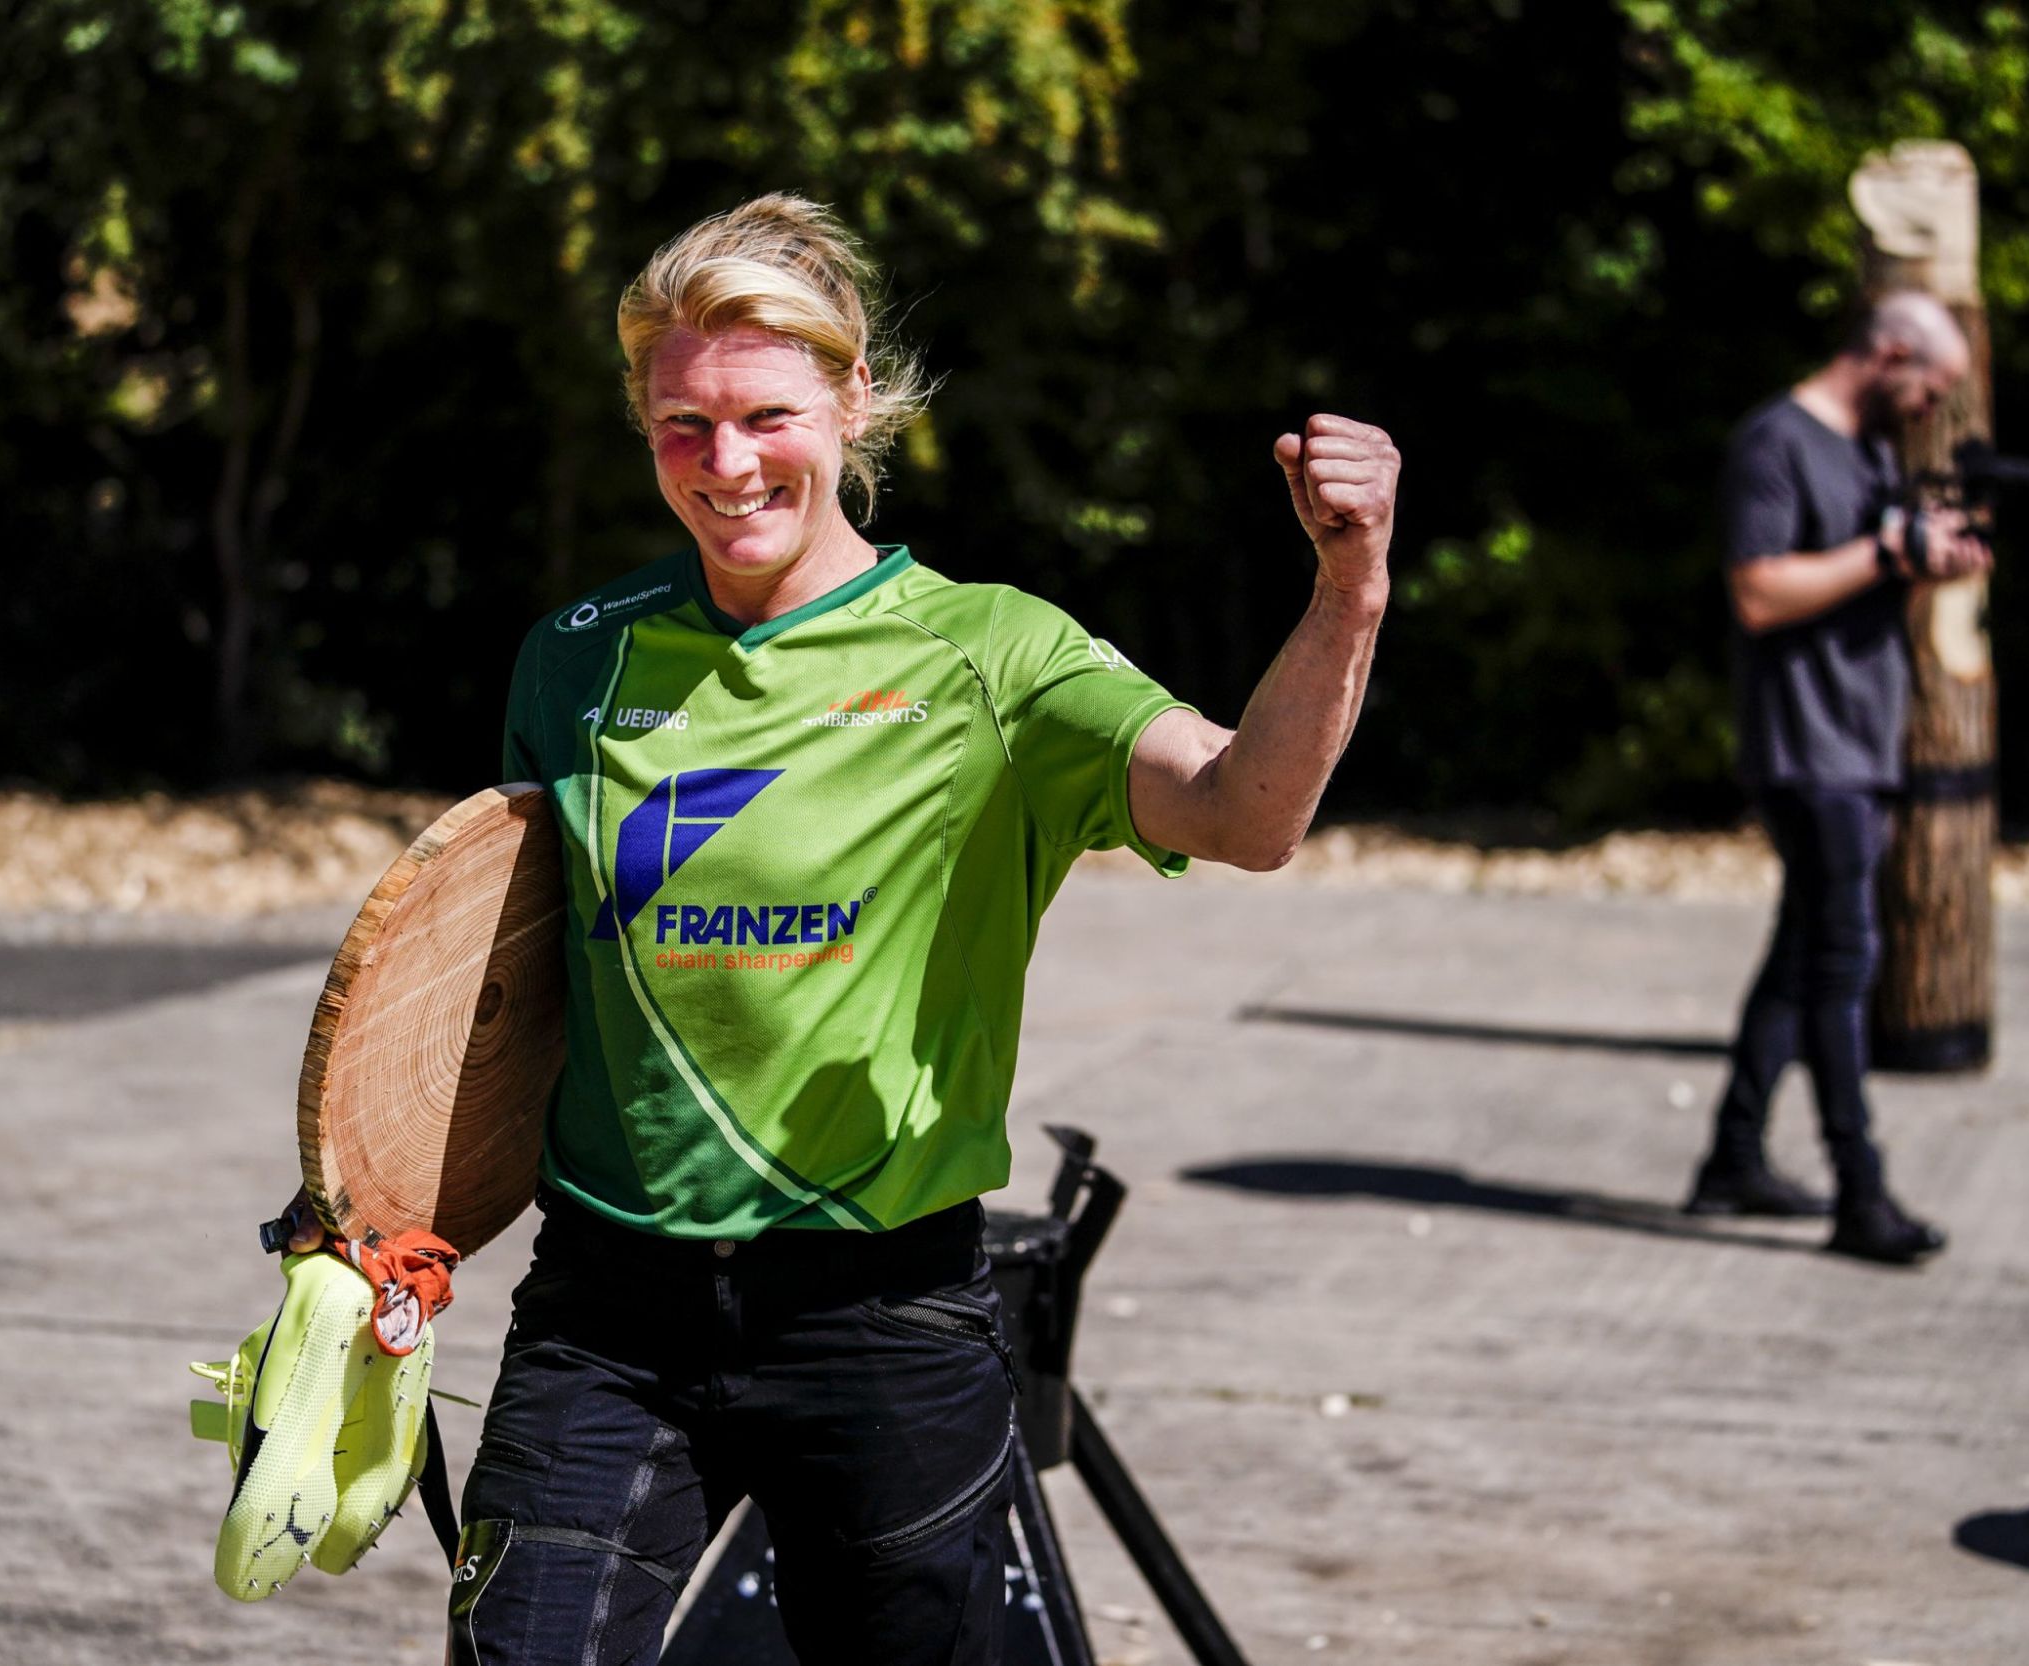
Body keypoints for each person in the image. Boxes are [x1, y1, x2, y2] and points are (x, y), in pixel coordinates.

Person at [291, 194, 1395, 1662]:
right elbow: (507, 983)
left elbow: (1247, 811)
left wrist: (1351, 585)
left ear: (854, 398)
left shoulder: (991, 654)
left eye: (764, 415)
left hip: (881, 1316)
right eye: (683, 422)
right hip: (608, 1312)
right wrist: (370, 1198)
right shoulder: (575, 657)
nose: (726, 463)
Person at [1681, 291, 1987, 1264]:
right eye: (1928, 385)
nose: (1928, 405)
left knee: (1800, 953)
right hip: (1808, 748)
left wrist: (1922, 557)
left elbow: (1859, 569)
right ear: (1889, 351)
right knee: (1843, 969)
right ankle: (1861, 1189)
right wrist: (1884, 550)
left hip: (1860, 741)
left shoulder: (1868, 447)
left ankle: (1731, 1157)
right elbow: (1759, 590)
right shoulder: (1776, 441)